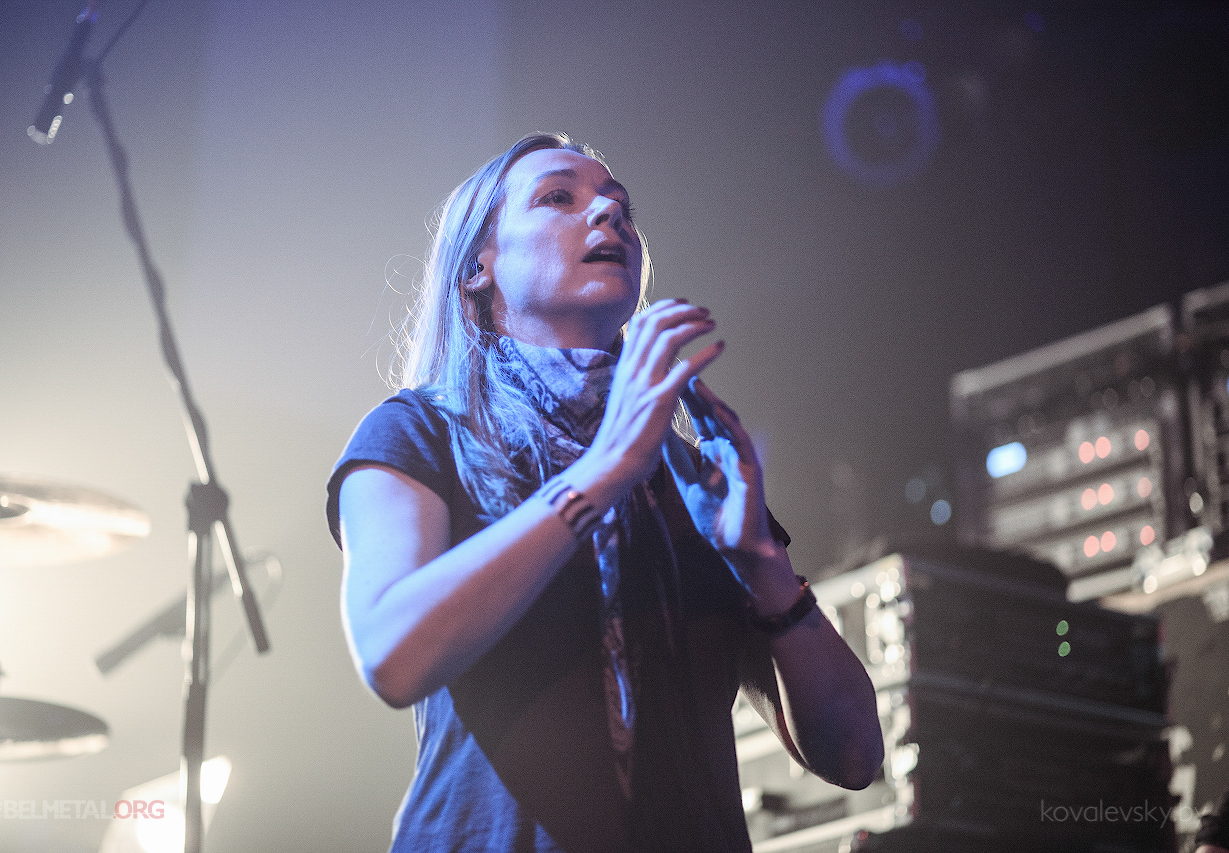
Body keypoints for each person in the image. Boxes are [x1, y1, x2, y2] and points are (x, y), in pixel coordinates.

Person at [326, 133, 883, 852]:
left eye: (621, 205)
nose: (609, 213)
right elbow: (393, 655)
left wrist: (761, 563)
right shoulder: (421, 432)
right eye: (559, 197)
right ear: (476, 268)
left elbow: (854, 756)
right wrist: (604, 472)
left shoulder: (690, 479)